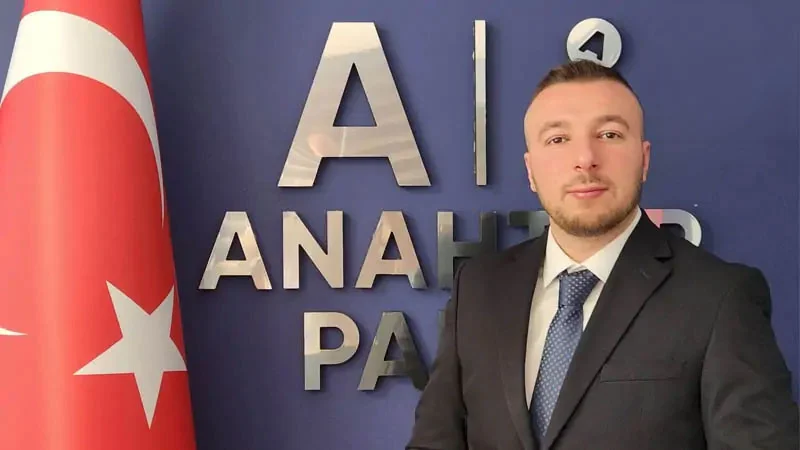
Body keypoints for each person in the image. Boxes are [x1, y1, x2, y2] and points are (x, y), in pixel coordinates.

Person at [406, 59, 799, 450]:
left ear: (644, 159)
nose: (585, 158)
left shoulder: (720, 297)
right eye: (558, 139)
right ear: (531, 170)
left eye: (609, 134)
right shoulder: (479, 289)